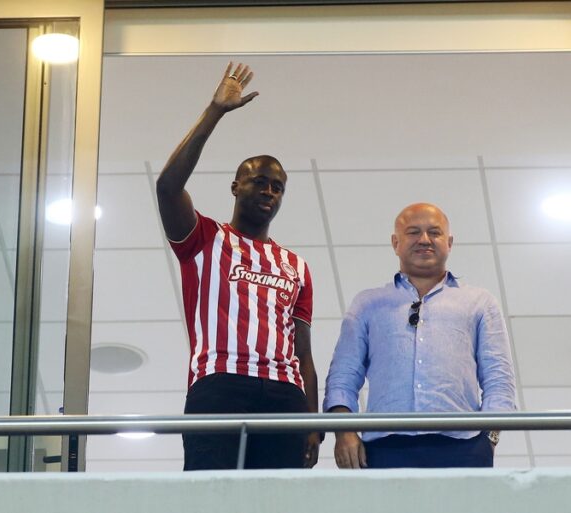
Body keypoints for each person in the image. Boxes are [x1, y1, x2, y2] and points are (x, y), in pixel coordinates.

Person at [156, 62, 321, 470]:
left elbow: (303, 352)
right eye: (259, 181)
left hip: (285, 394)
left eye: (277, 187)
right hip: (219, 385)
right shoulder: (204, 238)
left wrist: (313, 424)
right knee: (213, 495)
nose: (269, 191)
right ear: (236, 186)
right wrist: (214, 112)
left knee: (278, 499)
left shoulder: (296, 265)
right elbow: (168, 187)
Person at [323, 202, 516, 469]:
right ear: (395, 243)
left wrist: (489, 439)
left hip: (464, 446)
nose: (424, 239)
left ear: (449, 243)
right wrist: (344, 433)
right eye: (413, 232)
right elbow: (342, 377)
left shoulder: (480, 303)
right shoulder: (368, 304)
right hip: (383, 448)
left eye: (434, 233)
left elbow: (499, 378)